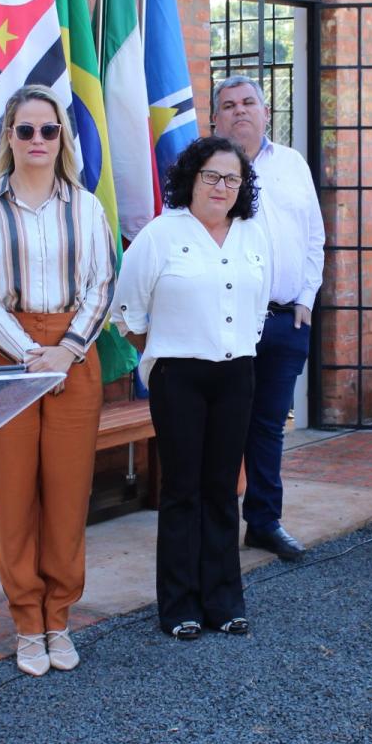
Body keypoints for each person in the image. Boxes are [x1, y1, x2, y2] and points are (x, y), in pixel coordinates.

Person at [0, 84, 116, 676]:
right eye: (25, 130)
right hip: (6, 357)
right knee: (11, 495)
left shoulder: (86, 206)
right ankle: (27, 621)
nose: (38, 140)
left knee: (68, 495)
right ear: (10, 137)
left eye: (49, 130)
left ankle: (58, 618)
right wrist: (29, 353)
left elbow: (103, 282)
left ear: (62, 138)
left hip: (73, 355)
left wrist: (66, 349)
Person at [112, 136, 271, 639]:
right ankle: (179, 606)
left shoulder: (253, 234)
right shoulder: (161, 234)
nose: (221, 187)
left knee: (223, 489)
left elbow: (259, 308)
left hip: (236, 374)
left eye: (232, 179)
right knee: (182, 489)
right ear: (191, 178)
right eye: (211, 176)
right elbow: (128, 312)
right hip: (178, 376)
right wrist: (167, 346)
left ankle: (224, 601)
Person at [212, 75, 325, 562]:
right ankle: (215, 528)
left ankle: (263, 522)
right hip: (228, 322)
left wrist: (307, 299)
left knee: (268, 427)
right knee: (224, 427)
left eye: (248, 102)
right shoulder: (208, 170)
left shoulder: (293, 164)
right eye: (229, 105)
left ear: (265, 111)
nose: (240, 110)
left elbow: (315, 236)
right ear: (215, 118)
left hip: (285, 321)